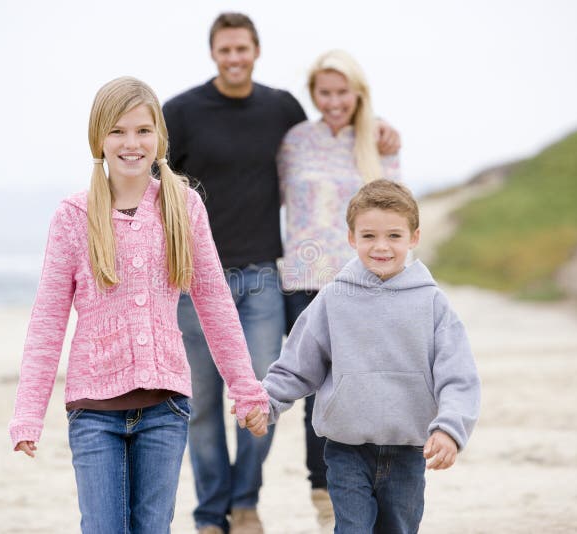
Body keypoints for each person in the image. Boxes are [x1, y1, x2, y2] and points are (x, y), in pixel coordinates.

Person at [163, 13, 400, 534]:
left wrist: (380, 130)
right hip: (195, 281)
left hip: (263, 280)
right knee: (202, 406)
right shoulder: (179, 112)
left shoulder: (281, 110)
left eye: (242, 48)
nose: (234, 57)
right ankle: (210, 515)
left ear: (256, 50)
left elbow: (336, 141)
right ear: (213, 52)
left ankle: (245, 502)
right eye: (224, 49)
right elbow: (159, 188)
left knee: (259, 397)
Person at [8, 76, 269, 534]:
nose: (132, 143)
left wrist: (245, 388)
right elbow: (48, 320)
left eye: (143, 130)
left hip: (165, 408)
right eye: (118, 131)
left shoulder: (182, 206)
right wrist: (28, 412)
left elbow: (215, 303)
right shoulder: (74, 216)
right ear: (99, 138)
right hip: (93, 412)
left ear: (159, 138)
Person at [262, 179, 481, 533]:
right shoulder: (333, 299)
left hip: (408, 450)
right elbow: (298, 364)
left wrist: (450, 428)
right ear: (351, 238)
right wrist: (267, 401)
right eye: (368, 236)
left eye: (394, 236)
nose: (381, 246)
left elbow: (458, 375)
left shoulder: (432, 302)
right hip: (345, 448)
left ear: (414, 237)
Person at [277, 49, 402, 530]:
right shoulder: (293, 142)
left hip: (362, 281)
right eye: (324, 93)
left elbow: (395, 210)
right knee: (317, 385)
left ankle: (367, 480)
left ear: (357, 94)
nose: (333, 102)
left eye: (341, 93)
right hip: (304, 282)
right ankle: (322, 486)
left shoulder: (378, 142)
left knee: (364, 380)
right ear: (314, 95)